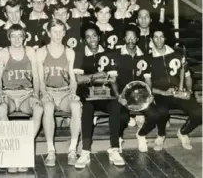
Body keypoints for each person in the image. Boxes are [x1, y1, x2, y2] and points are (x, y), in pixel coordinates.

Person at [74, 23, 126, 168]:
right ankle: (85, 151)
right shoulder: (80, 53)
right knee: (88, 109)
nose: (92, 39)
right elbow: (79, 79)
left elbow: (113, 79)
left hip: (105, 94)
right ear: (84, 39)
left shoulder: (109, 53)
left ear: (99, 37)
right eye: (88, 37)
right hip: (88, 94)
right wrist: (97, 76)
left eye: (94, 36)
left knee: (116, 105)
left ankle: (115, 148)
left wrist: (117, 95)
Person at [147, 24, 202, 150]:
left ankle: (183, 132)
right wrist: (163, 92)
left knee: (199, 113)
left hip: (179, 92)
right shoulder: (148, 59)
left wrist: (189, 90)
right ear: (152, 39)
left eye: (161, 37)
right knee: (161, 112)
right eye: (156, 37)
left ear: (166, 38)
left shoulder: (177, 55)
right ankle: (161, 135)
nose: (159, 40)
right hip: (161, 94)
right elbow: (146, 85)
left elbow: (188, 76)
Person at [0, 24, 43, 173]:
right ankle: (12, 151)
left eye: (20, 36)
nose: (17, 39)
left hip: (26, 94)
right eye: (13, 36)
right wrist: (0, 95)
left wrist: (36, 95)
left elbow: (36, 76)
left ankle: (23, 149)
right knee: (1, 108)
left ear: (24, 37)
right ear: (9, 37)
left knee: (39, 109)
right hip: (9, 93)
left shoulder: (30, 51)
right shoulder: (4, 53)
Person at [37, 19, 81, 166]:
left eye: (61, 31)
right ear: (49, 33)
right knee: (48, 107)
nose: (58, 35)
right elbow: (40, 78)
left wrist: (73, 92)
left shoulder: (69, 52)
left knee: (76, 106)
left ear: (64, 33)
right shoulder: (41, 52)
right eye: (54, 31)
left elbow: (73, 79)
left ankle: (72, 150)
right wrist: (43, 92)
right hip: (48, 91)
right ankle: (51, 151)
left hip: (64, 92)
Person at [115, 24, 160, 153]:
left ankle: (141, 135)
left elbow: (147, 79)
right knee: (121, 116)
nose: (130, 40)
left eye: (133, 37)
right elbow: (112, 80)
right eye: (128, 37)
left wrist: (150, 94)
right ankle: (118, 138)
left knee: (154, 114)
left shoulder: (144, 56)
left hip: (140, 96)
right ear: (124, 38)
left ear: (137, 39)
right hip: (123, 96)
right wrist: (119, 96)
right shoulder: (117, 55)